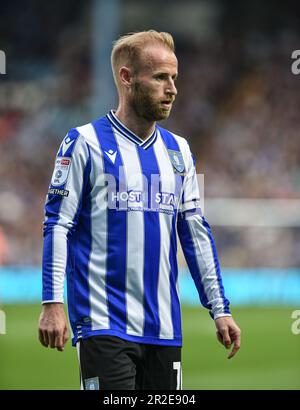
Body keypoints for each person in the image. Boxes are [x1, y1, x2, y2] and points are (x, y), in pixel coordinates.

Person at [38, 30, 241, 390]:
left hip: (164, 328)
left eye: (174, 78)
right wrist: (53, 302)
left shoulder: (180, 151)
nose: (172, 89)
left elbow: (195, 233)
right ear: (127, 78)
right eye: (160, 77)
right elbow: (58, 224)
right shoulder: (83, 142)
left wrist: (219, 308)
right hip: (103, 323)